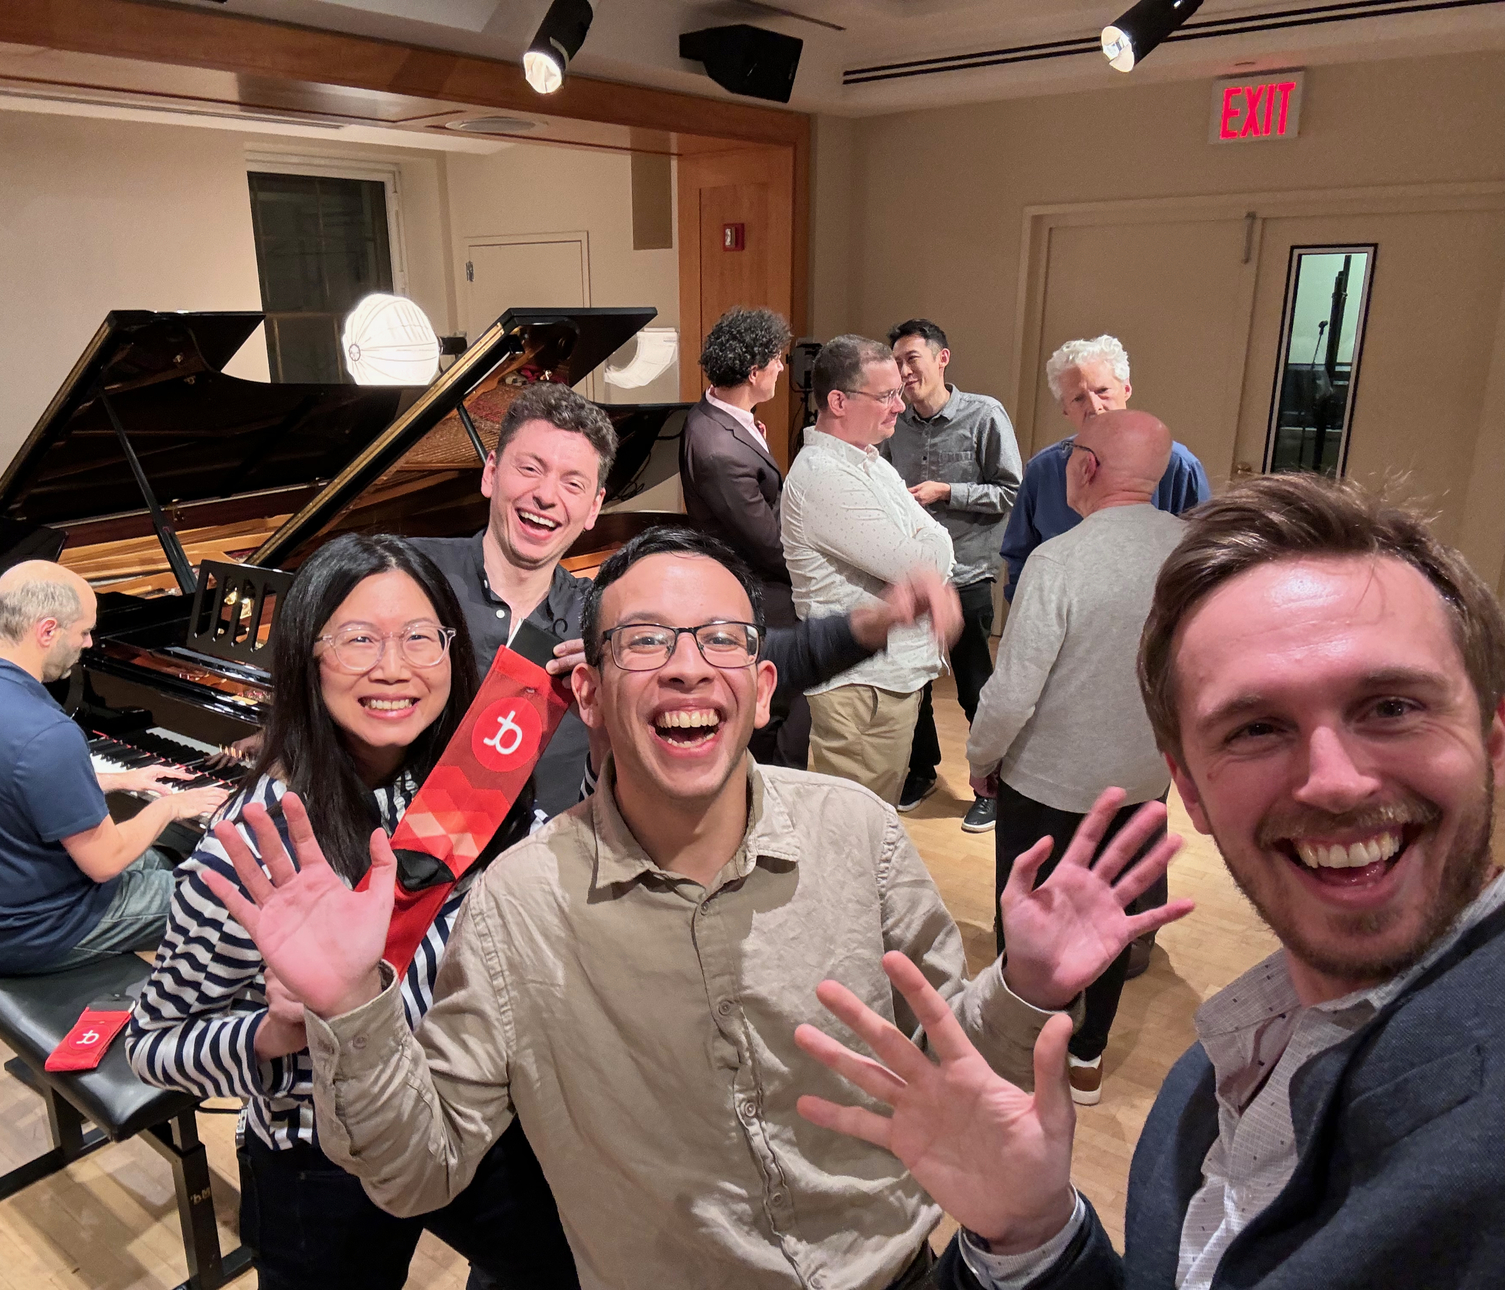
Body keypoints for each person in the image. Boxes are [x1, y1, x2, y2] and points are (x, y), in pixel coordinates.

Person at [199, 526, 1185, 1290]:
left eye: (721, 639)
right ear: (588, 694)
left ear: (761, 691)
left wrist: (1026, 986)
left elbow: (952, 1066)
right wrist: (350, 1007)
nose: (685, 666)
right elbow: (420, 1171)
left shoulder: (859, 834)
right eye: (644, 641)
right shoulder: (517, 904)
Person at [797, 473, 1505, 1289]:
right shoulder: (1214, 1074)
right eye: (1258, 727)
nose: (1334, 782)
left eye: (1391, 708)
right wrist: (1034, 1236)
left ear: (1493, 741)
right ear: (1189, 788)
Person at [127, 534, 578, 1290]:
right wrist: (276, 1031)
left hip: (467, 1111)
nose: (393, 668)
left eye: (419, 638)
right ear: (307, 657)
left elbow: (548, 881)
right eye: (358, 639)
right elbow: (153, 1045)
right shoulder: (255, 847)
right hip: (322, 1156)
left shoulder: (469, 781)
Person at [411, 380, 954, 807]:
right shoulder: (406, 582)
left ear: (595, 507)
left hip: (558, 876)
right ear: (490, 474)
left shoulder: (598, 616)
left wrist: (876, 622)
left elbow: (757, 658)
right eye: (529, 469)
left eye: (573, 483)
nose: (547, 496)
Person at [965, 410, 1182, 1105]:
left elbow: (1012, 691)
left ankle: (1024, 1048)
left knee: (1030, 914)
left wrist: (980, 756)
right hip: (1144, 776)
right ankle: (1087, 1056)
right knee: (1108, 913)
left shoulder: (1059, 560)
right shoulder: (1191, 552)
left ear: (1086, 467)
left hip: (1047, 782)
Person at [0, 560, 228, 975]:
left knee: (162, 861)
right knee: (229, 892)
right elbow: (106, 862)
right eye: (83, 631)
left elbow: (11, 783)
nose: (89, 643)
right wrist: (171, 806)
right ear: (47, 631)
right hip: (36, 933)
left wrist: (118, 779)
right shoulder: (46, 733)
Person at [782, 334, 955, 804]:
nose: (900, 405)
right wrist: (927, 553)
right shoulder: (823, 475)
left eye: (898, 392)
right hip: (862, 685)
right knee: (856, 826)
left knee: (875, 822)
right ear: (839, 401)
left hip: (887, 679)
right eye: (886, 396)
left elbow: (939, 543)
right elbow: (918, 565)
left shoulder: (871, 463)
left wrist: (929, 551)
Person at [882, 319, 1022, 829]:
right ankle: (921, 770)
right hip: (912, 577)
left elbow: (1010, 491)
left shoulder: (984, 415)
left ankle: (992, 786)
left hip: (968, 574)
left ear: (942, 358)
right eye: (897, 361)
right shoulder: (892, 422)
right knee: (914, 684)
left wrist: (947, 492)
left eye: (912, 359)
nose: (903, 371)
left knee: (974, 688)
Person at [1000, 335, 1209, 601]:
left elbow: (1203, 553)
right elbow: (1020, 559)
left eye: (1102, 391)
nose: (1094, 407)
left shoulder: (1178, 465)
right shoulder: (1043, 471)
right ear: (1065, 409)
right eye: (1078, 398)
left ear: (1126, 389)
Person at [681, 306, 797, 629]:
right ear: (754, 373)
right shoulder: (720, 453)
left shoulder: (714, 408)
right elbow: (769, 548)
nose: (781, 367)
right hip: (755, 589)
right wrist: (817, 576)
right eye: (776, 360)